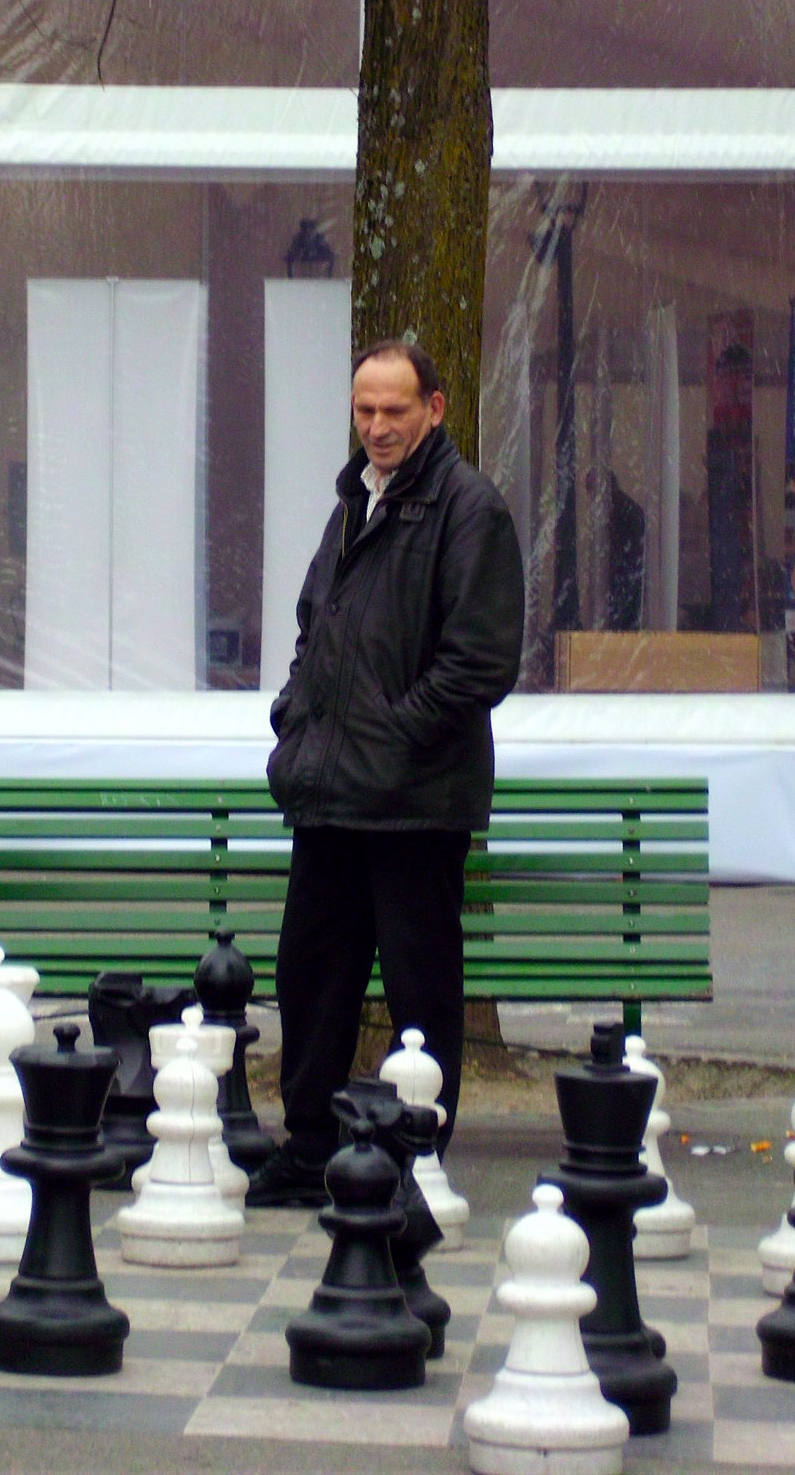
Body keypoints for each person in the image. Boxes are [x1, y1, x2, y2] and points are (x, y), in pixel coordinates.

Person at [248, 339, 525, 1207]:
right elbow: (315, 625)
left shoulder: (469, 509)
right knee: (311, 977)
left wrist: (394, 738)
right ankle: (309, 1146)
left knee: (420, 985)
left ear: (434, 409)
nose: (376, 427)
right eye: (365, 410)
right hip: (331, 793)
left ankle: (417, 1150)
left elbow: (480, 666)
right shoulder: (352, 502)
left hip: (412, 802)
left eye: (394, 410)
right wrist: (295, 716)